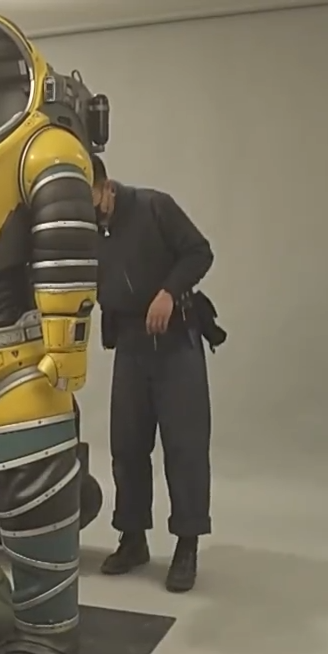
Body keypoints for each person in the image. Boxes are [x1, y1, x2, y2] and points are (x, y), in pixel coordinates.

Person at [90, 155, 215, 593]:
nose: (90, 213)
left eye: (92, 201)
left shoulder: (153, 207)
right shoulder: (87, 228)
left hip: (175, 343)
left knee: (184, 447)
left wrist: (169, 291)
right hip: (130, 345)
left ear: (106, 187)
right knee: (126, 446)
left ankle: (187, 544)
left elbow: (200, 252)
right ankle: (132, 538)